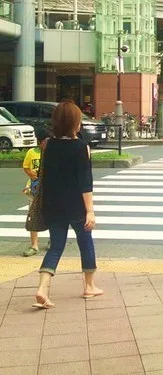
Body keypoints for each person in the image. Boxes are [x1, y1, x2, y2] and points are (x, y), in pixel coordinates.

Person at [33, 101, 101, 309]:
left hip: (53, 205)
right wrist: (90, 211)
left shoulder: (48, 145)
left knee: (56, 246)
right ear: (74, 123)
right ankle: (89, 286)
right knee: (85, 241)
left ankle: (42, 288)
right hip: (76, 206)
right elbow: (84, 181)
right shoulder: (81, 147)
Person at [22, 128, 50, 257]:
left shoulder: (52, 153)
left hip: (49, 188)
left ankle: (53, 241)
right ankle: (34, 245)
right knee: (33, 214)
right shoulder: (31, 152)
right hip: (34, 188)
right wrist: (31, 176)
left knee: (52, 215)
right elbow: (26, 167)